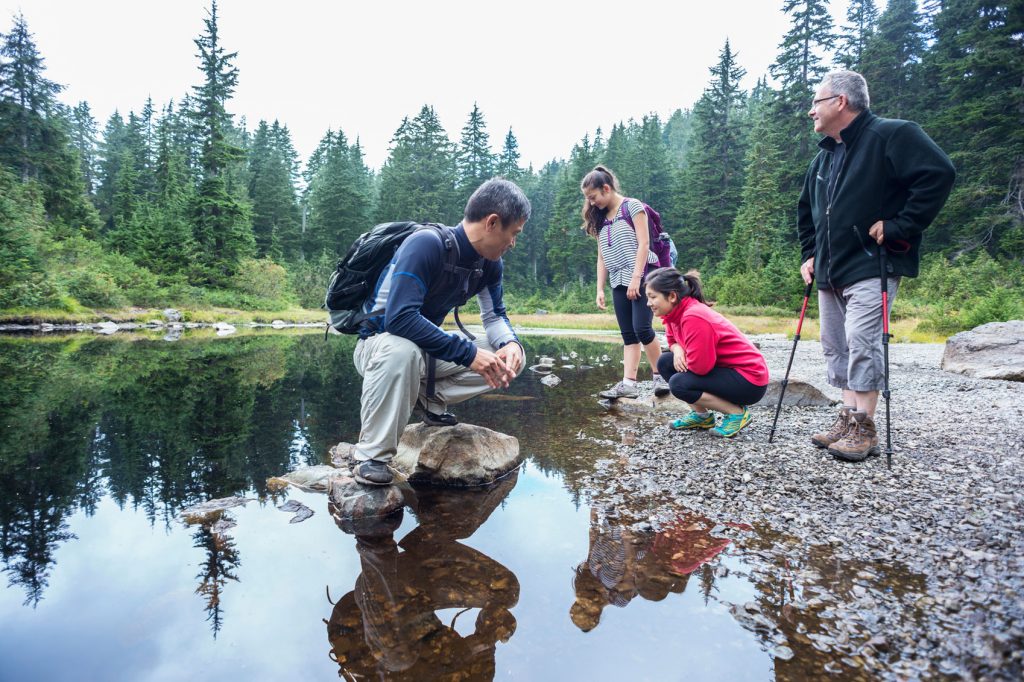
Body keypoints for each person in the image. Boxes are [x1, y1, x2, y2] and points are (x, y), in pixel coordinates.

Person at [798, 70, 955, 462]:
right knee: (837, 345)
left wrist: (901, 225)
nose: (810, 111)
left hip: (873, 262)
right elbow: (806, 211)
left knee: (862, 342)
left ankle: (864, 429)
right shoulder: (824, 156)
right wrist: (809, 253)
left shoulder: (892, 134)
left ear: (840, 102)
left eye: (816, 102)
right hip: (831, 269)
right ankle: (848, 417)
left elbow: (938, 174)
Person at [351, 178, 530, 485]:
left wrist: (510, 343)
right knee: (401, 348)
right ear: (492, 222)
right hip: (378, 347)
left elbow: (495, 315)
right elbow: (400, 319)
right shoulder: (426, 244)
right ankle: (371, 455)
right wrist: (469, 354)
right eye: (513, 233)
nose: (513, 243)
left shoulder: (489, 264)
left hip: (422, 352)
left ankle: (427, 401)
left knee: (512, 356)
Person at [644, 267, 769, 438]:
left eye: (652, 297)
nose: (648, 303)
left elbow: (701, 368)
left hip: (749, 379)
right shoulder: (675, 313)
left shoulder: (693, 316)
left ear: (672, 296)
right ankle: (701, 416)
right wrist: (678, 349)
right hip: (730, 371)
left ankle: (736, 413)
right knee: (665, 362)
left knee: (679, 383)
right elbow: (672, 339)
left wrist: (683, 360)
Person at [580, 165, 669, 400]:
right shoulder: (599, 218)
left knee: (642, 327)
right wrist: (600, 288)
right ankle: (628, 383)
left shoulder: (632, 207)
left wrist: (636, 278)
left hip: (642, 274)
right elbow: (601, 257)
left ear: (606, 188)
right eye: (588, 199)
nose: (591, 203)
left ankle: (660, 376)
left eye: (593, 197)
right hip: (618, 279)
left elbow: (644, 244)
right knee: (628, 334)